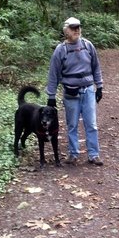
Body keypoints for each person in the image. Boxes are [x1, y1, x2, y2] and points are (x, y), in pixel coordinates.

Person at [46, 17, 104, 166]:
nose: (76, 30)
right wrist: (51, 95)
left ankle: (94, 154)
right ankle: (73, 153)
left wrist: (100, 86)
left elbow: (96, 67)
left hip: (88, 90)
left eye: (78, 27)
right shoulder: (61, 50)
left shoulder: (87, 45)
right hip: (71, 92)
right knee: (72, 124)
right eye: (73, 28)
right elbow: (53, 74)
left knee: (91, 124)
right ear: (66, 31)